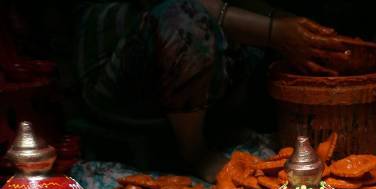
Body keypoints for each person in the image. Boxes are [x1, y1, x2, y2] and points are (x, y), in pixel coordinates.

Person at [76, 0, 350, 178]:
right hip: (121, 77)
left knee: (262, 47)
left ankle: (218, 126)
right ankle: (194, 151)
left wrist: (309, 33)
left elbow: (239, 5)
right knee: (184, 20)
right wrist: (276, 33)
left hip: (196, 53)